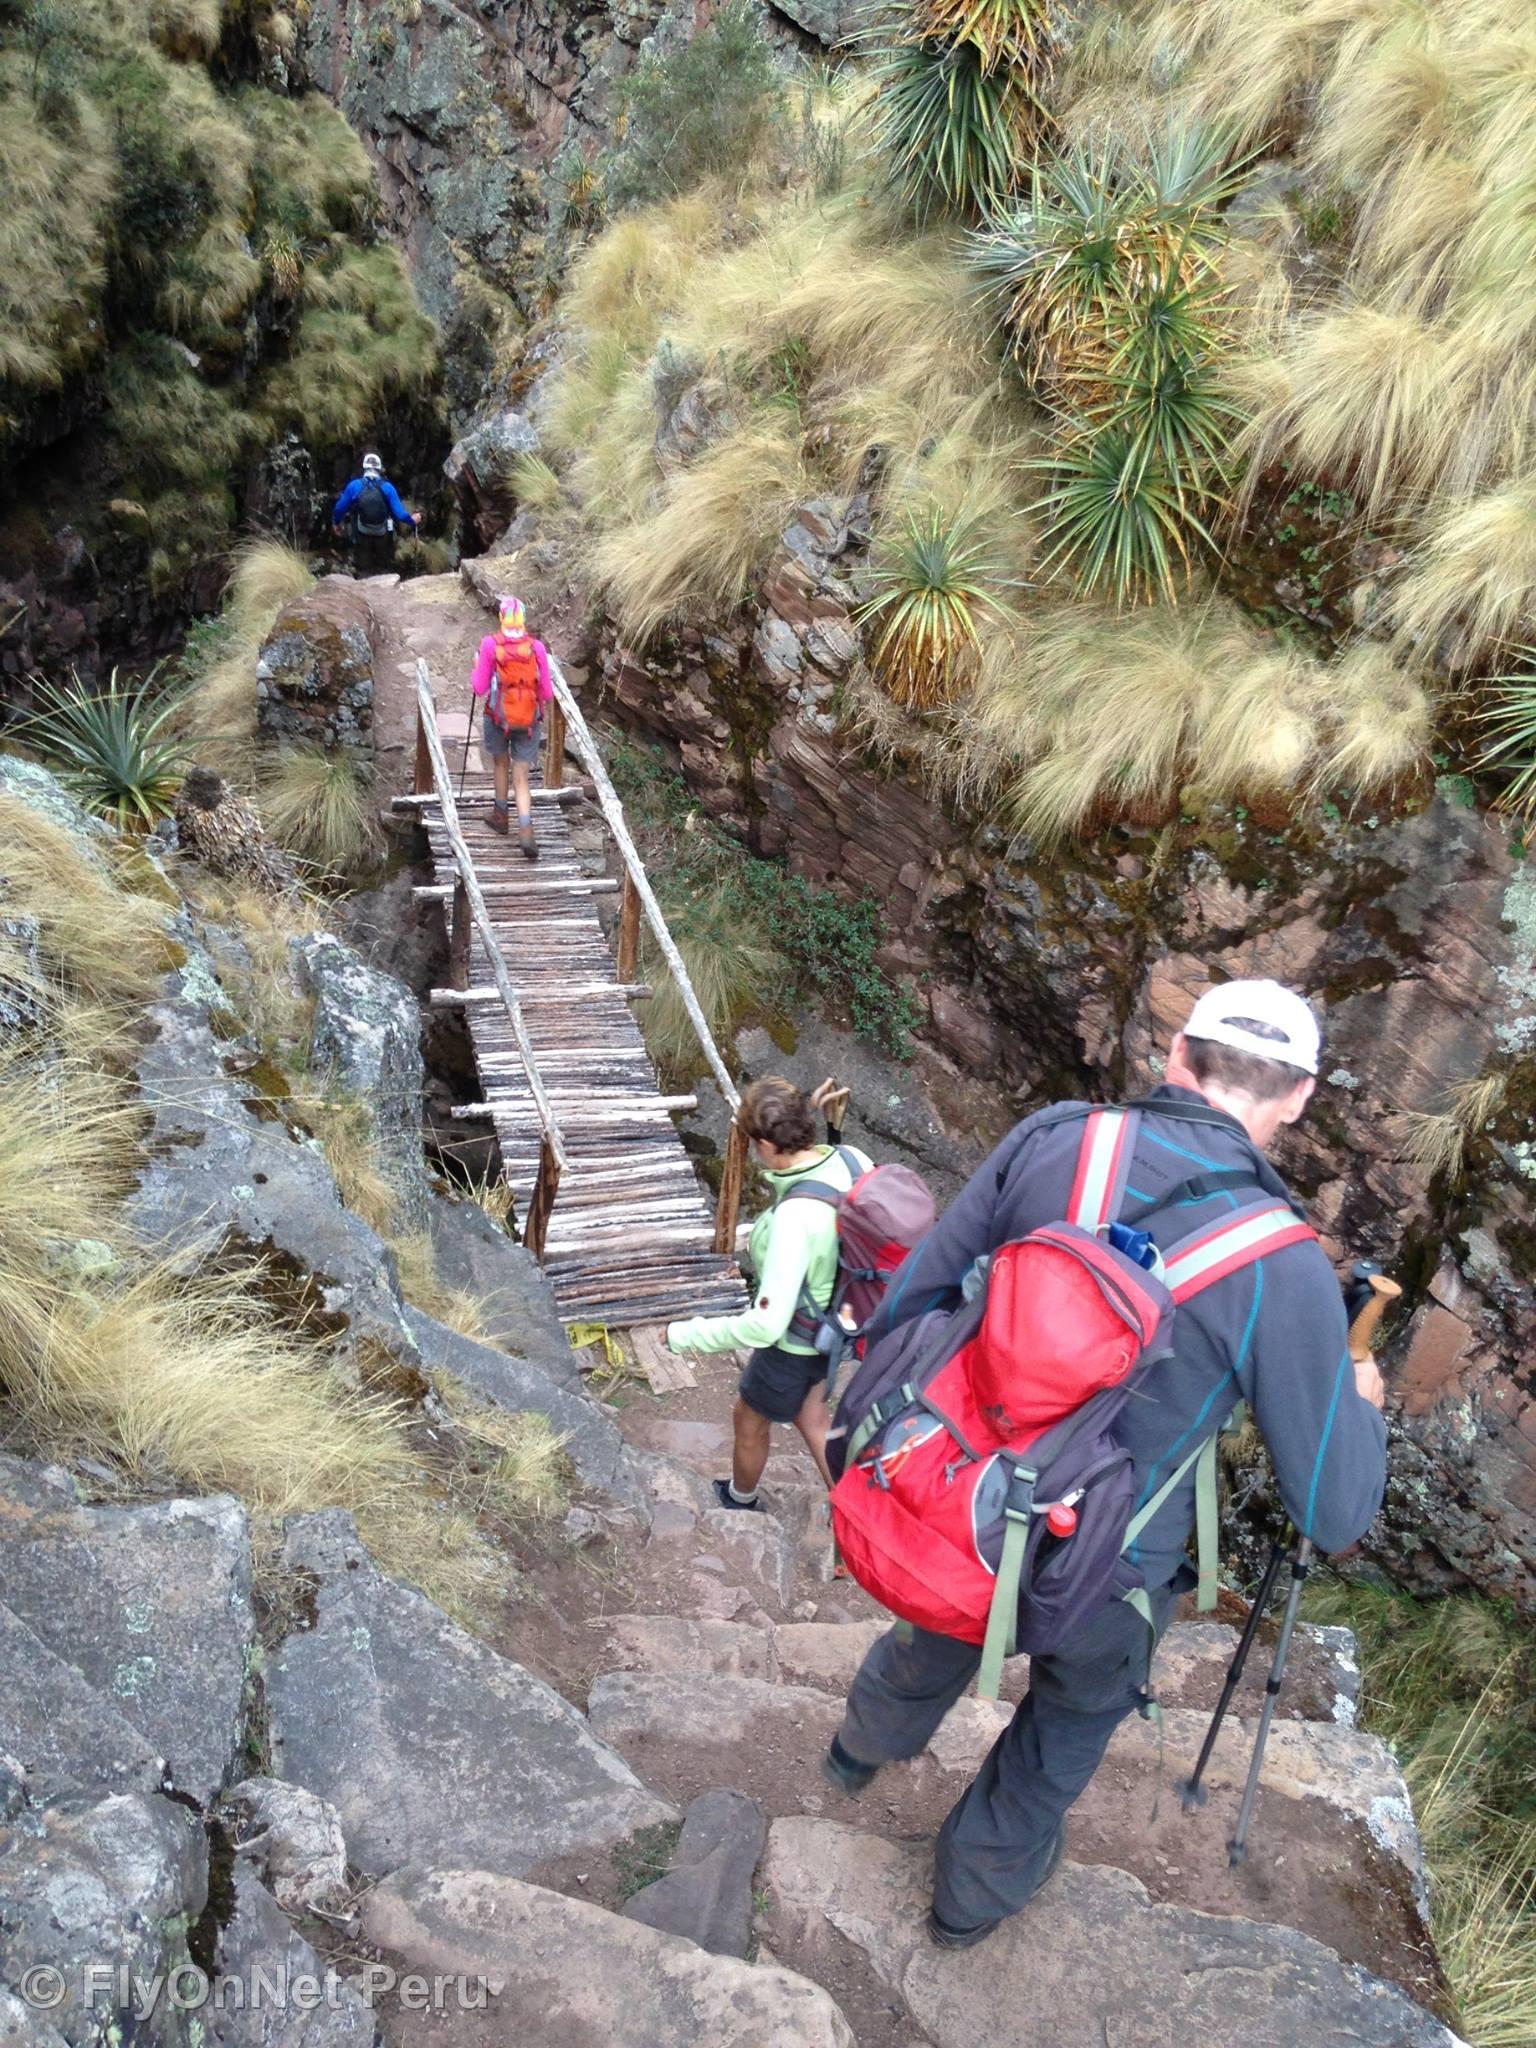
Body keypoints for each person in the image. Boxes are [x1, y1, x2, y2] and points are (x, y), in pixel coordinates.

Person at [820, 979, 1388, 1950]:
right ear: (1298, 1097)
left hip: (968, 1500)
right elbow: (1335, 1509)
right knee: (1070, 1719)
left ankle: (860, 1747)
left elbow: (913, 1303)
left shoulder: (1055, 1139)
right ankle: (968, 1894)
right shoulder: (1284, 1265)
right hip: (1111, 1567)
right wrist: (1361, 1402)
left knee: (945, 1621)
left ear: (1178, 1055)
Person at [667, 1075, 869, 1510]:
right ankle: (863, 1515)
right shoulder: (852, 1159)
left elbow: (766, 1325)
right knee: (812, 1418)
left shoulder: (794, 1220)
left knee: (749, 1417)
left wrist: (685, 1335)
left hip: (796, 1343)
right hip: (843, 1319)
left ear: (766, 1145)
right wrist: (820, 1124)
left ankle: (740, 1499)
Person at [469, 595, 554, 854]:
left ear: (501, 618)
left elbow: (479, 688)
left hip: (497, 718)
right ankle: (526, 829)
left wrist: (476, 666)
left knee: (500, 763)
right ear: (523, 619)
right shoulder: (536, 648)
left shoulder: (489, 645)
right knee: (522, 776)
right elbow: (547, 693)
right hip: (528, 721)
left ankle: (501, 815)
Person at [330, 453, 421, 575]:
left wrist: (336, 523)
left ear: (364, 467)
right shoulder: (388, 487)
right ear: (379, 468)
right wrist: (412, 520)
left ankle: (363, 578)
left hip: (362, 532)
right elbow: (400, 514)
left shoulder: (355, 486)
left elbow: (339, 508)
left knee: (364, 567)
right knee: (383, 566)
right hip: (383, 534)